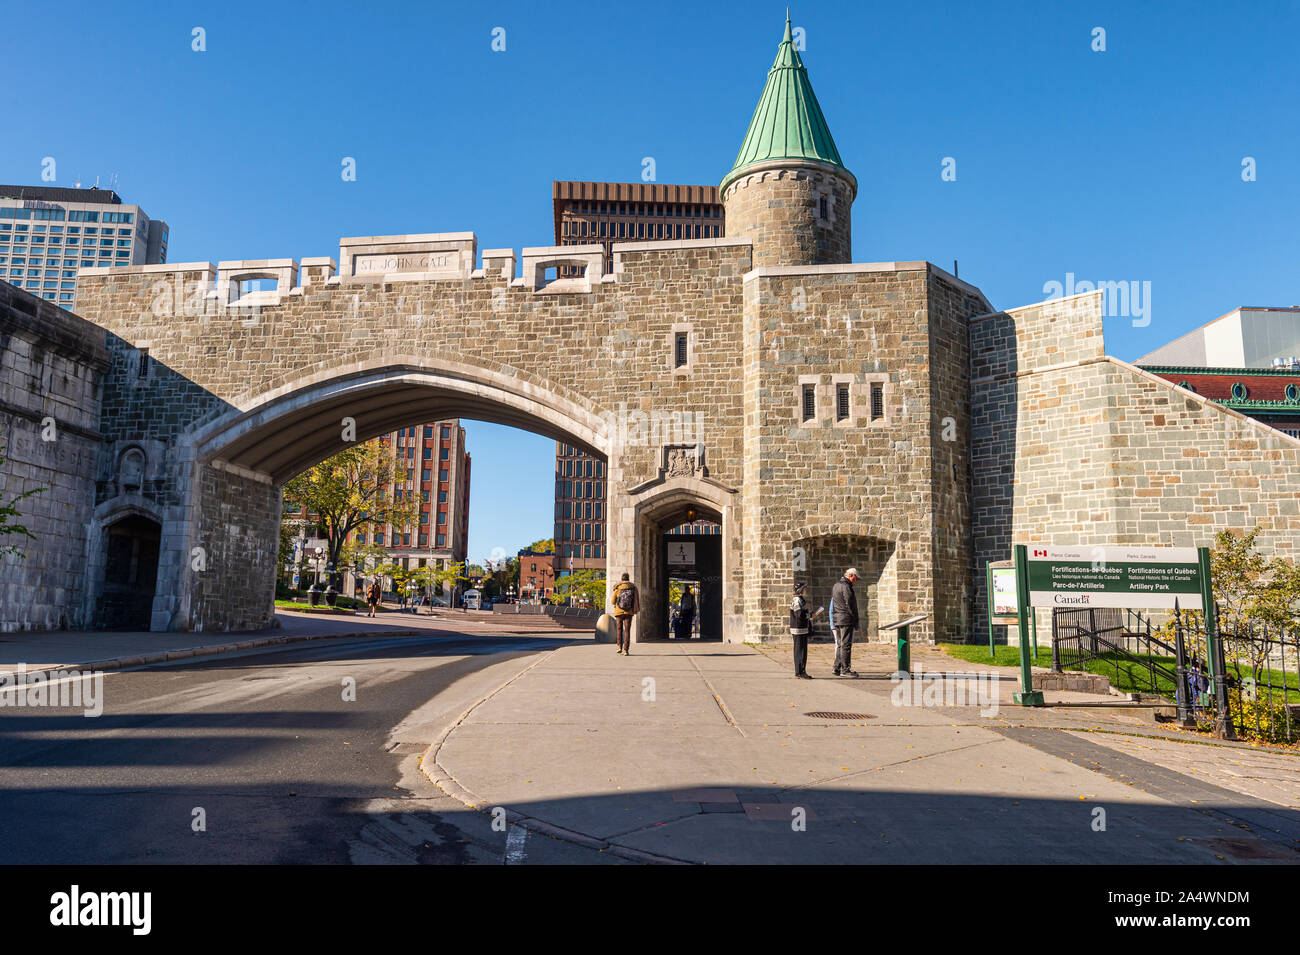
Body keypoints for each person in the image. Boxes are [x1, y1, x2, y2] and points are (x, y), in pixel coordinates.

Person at [789, 583, 824, 679]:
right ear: (800, 590)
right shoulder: (797, 600)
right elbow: (799, 615)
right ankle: (800, 672)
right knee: (800, 651)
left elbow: (802, 613)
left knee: (801, 651)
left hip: (801, 629)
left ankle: (800, 671)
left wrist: (809, 614)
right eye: (804, 588)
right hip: (798, 629)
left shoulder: (800, 600)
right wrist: (811, 615)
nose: (805, 590)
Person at [830, 568, 860, 678]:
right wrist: (856, 622)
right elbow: (851, 605)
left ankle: (837, 667)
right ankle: (845, 669)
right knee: (846, 645)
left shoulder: (836, 585)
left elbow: (834, 604)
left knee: (840, 644)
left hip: (837, 618)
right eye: (856, 579)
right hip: (846, 619)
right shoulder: (847, 587)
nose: (856, 582)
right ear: (851, 576)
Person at [611, 572, 639, 655]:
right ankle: (625, 650)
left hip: (619, 612)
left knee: (619, 629)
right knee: (627, 630)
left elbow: (613, 601)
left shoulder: (617, 587)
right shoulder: (633, 588)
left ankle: (619, 646)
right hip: (629, 612)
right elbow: (636, 600)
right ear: (628, 579)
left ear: (622, 579)